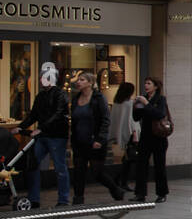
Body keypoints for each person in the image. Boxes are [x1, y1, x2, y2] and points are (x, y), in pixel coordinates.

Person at [11, 62, 71, 208]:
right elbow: (33, 115)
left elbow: (58, 114)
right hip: (43, 136)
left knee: (59, 167)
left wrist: (41, 128)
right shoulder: (41, 96)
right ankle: (34, 198)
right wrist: (20, 127)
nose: (41, 80)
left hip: (56, 136)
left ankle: (63, 200)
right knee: (33, 165)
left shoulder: (60, 95)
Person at [69, 71, 124, 204]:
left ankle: (115, 189)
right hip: (79, 141)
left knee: (97, 172)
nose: (78, 82)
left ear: (90, 83)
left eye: (82, 80)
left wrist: (100, 139)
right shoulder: (76, 99)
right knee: (79, 170)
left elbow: (106, 119)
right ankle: (78, 198)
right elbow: (74, 119)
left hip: (95, 141)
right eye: (78, 80)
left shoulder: (98, 98)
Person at [132, 76, 170, 203]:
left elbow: (159, 114)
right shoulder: (143, 99)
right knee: (141, 165)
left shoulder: (160, 99)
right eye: (145, 83)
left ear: (155, 86)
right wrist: (136, 106)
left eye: (149, 83)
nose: (146, 86)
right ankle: (140, 193)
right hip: (146, 136)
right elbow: (136, 118)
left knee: (159, 165)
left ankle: (162, 193)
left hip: (158, 137)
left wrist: (146, 104)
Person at [108, 82, 139, 195]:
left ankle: (120, 180)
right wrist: (135, 134)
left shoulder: (117, 103)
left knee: (127, 158)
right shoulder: (129, 104)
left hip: (122, 133)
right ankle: (121, 180)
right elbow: (131, 121)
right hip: (130, 134)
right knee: (129, 159)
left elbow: (117, 120)